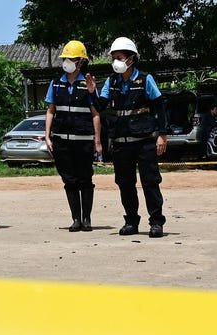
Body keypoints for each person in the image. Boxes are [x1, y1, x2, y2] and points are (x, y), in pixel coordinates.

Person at [93, 37, 169, 238]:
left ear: (131, 59)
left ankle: (156, 222)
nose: (115, 61)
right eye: (113, 58)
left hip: (144, 141)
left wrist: (162, 134)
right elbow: (100, 106)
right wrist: (92, 93)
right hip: (121, 142)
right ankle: (131, 221)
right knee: (125, 184)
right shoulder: (111, 82)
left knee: (150, 182)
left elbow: (160, 107)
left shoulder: (145, 79)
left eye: (119, 57)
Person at [44, 40, 102, 232]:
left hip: (84, 141)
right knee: (69, 180)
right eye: (65, 58)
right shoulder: (56, 83)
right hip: (61, 142)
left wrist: (97, 141)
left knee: (85, 179)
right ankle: (76, 219)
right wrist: (47, 136)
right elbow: (50, 111)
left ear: (81, 61)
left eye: (71, 59)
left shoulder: (88, 84)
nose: (66, 62)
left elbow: (96, 114)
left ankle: (87, 219)